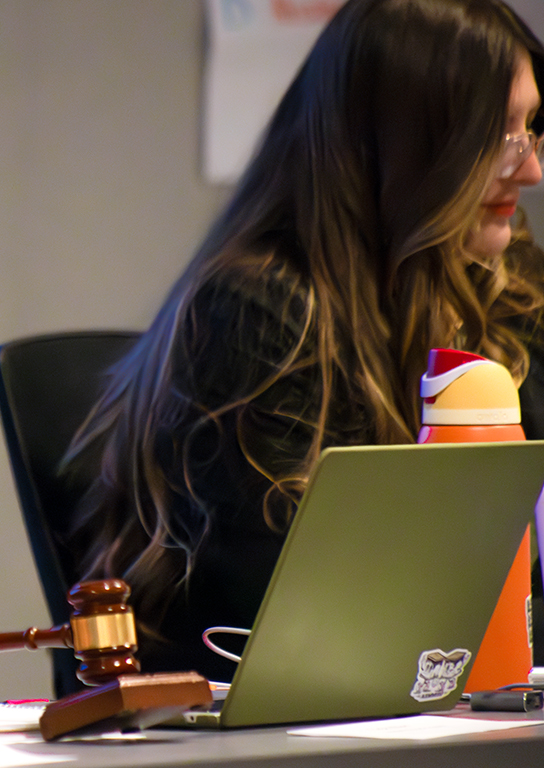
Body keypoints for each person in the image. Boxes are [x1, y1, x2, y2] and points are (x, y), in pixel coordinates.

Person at [65, 0, 544, 684]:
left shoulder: (510, 283)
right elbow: (325, 619)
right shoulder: (254, 317)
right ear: (400, 145)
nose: (530, 171)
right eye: (497, 137)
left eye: (532, 128)